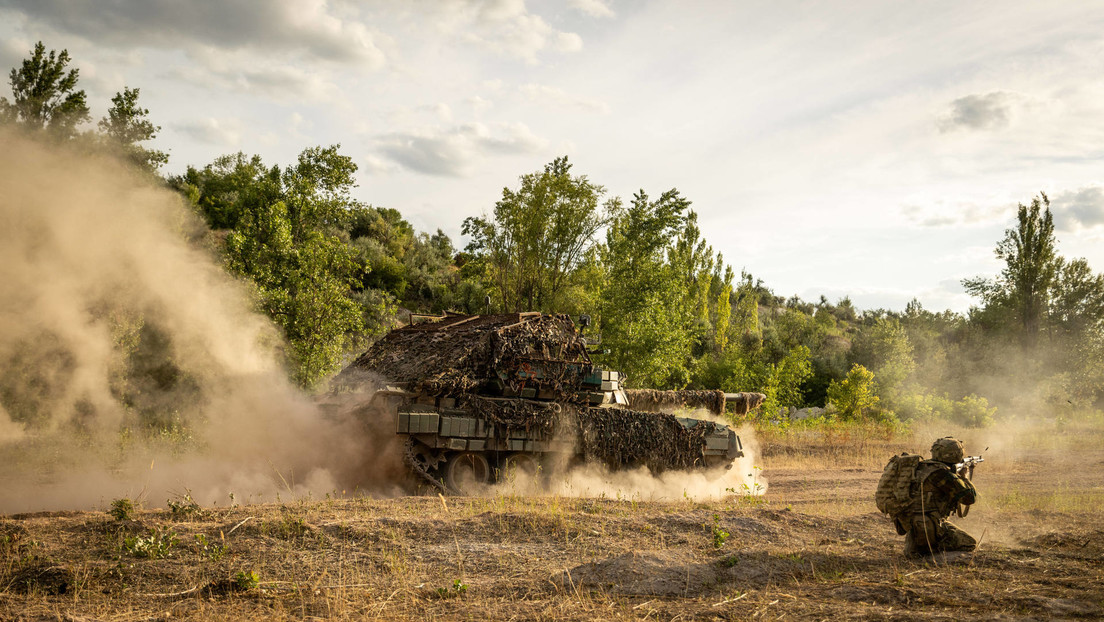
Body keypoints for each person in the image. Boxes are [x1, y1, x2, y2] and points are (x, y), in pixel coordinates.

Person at [897, 437, 978, 558]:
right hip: (930, 526)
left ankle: (916, 547)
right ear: (956, 454)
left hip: (912, 525)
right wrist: (964, 477)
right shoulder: (943, 474)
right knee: (970, 543)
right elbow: (969, 498)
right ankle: (932, 552)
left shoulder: (920, 467)